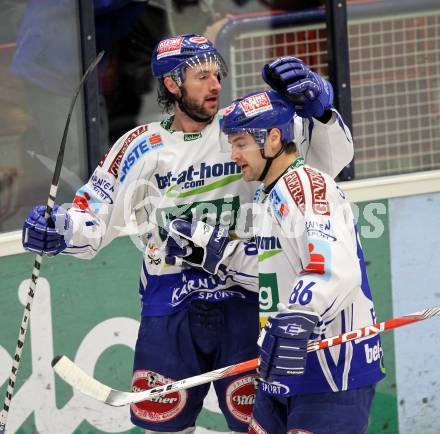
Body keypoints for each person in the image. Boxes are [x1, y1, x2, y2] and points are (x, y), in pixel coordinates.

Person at [21, 35, 354, 433]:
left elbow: (327, 162)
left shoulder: (246, 127)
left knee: (257, 424)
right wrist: (57, 228)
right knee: (164, 425)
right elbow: (93, 217)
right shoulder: (139, 146)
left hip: (246, 296)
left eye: (217, 74)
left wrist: (322, 114)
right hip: (170, 301)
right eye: (201, 76)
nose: (215, 85)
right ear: (171, 84)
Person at [168, 89, 384, 433]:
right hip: (282, 369)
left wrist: (298, 316)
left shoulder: (307, 187)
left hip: (331, 372)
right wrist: (218, 254)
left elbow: (336, 269)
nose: (235, 155)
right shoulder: (268, 193)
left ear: (272, 139)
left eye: (241, 143)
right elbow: (275, 271)